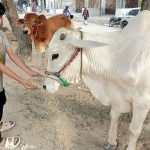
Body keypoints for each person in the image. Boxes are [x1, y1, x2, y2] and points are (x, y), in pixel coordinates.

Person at [0, 2, 41, 149]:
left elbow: (12, 55)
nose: (0, 21)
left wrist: (28, 71)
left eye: (1, 17)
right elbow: (0, 66)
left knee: (1, 99)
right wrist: (22, 81)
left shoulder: (1, 34)